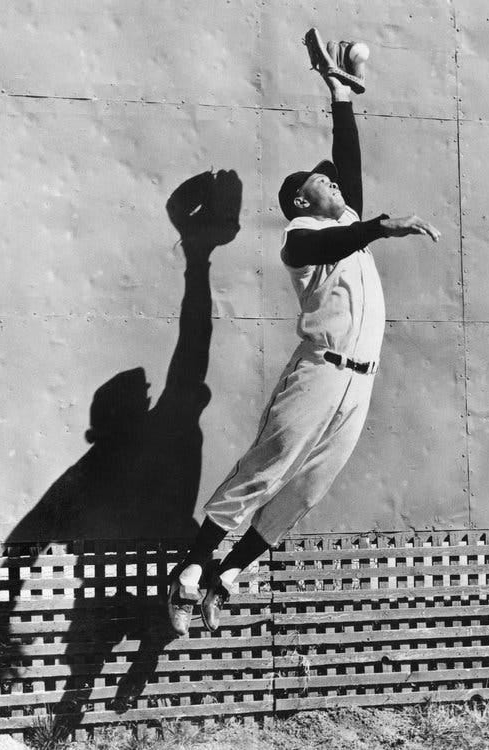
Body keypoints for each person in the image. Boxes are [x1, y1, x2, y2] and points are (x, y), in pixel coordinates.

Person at [168, 30, 440, 636]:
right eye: (323, 182)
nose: (335, 182)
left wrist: (340, 96)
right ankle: (190, 568)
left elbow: (349, 164)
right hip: (320, 369)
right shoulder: (302, 237)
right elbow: (335, 235)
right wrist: (380, 226)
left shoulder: (345, 218)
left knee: (311, 485)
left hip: (361, 383)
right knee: (267, 468)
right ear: (300, 197)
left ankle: (225, 576)